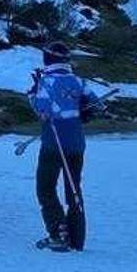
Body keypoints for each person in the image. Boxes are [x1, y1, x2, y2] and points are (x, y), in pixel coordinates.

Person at [29, 42, 98, 252]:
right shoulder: (78, 80)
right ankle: (77, 238)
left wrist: (33, 92)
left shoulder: (46, 81)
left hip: (54, 141)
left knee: (46, 187)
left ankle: (58, 232)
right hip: (76, 142)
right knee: (73, 188)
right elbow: (95, 105)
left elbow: (41, 109)